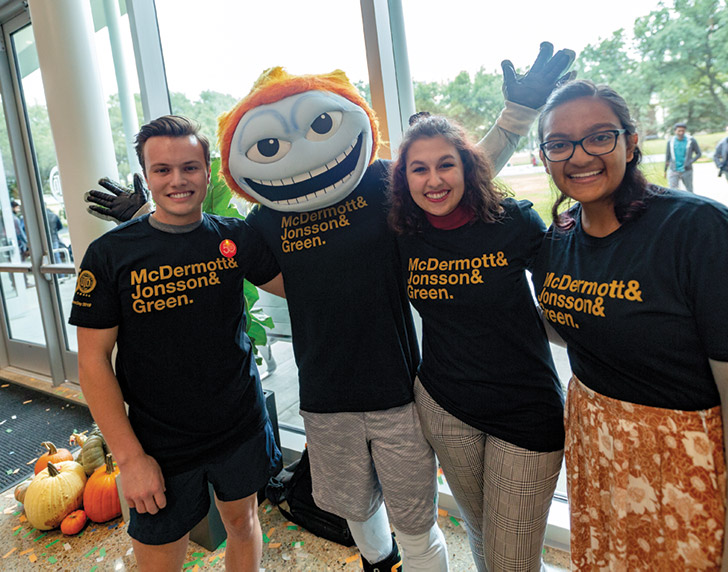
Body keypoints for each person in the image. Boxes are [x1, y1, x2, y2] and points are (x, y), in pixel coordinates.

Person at [84, 45, 575, 571]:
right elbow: (201, 243)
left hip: (401, 391)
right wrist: (147, 221)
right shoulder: (267, 217)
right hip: (322, 397)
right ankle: (379, 562)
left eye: (188, 169)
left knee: (416, 518)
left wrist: (516, 117)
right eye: (163, 170)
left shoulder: (380, 184)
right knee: (356, 508)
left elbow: (449, 181)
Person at [532, 79, 728, 570]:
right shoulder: (561, 234)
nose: (579, 155)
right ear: (544, 156)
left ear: (631, 143)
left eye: (599, 136)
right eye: (559, 143)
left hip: (690, 469)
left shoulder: (701, 232)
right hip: (601, 458)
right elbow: (571, 322)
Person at [69, 115, 283, 571]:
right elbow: (92, 363)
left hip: (239, 424)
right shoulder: (111, 255)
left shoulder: (234, 237)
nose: (177, 180)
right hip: (158, 444)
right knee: (161, 558)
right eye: (162, 170)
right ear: (147, 177)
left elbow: (298, 284)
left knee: (243, 523)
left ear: (208, 172)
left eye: (189, 167)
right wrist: (129, 459)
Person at [387, 115, 564, 572]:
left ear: (467, 166)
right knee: (483, 529)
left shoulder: (513, 220)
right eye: (419, 169)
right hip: (445, 406)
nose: (434, 180)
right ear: (404, 179)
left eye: (446, 164)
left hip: (526, 410)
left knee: (512, 561)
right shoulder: (404, 235)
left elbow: (567, 301)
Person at [663, 122, 701, 192]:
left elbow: (699, 153)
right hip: (673, 170)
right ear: (675, 131)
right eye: (679, 131)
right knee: (673, 191)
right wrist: (665, 170)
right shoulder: (671, 141)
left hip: (687, 170)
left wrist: (690, 162)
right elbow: (667, 156)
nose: (681, 133)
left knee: (689, 190)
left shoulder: (691, 140)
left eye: (683, 131)